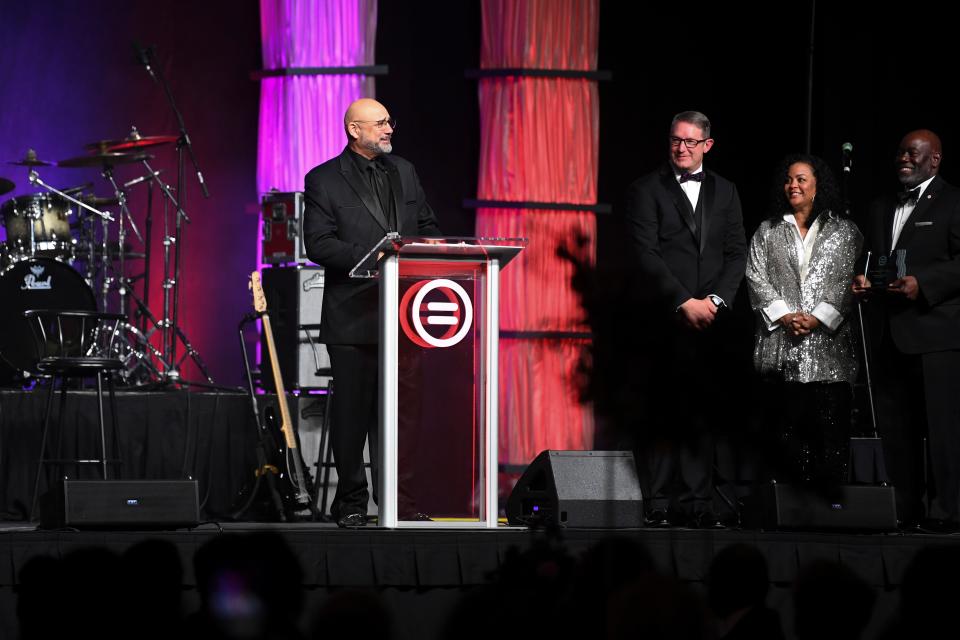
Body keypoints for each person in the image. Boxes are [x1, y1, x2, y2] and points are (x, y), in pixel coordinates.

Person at [303, 98, 440, 527]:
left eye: (389, 122)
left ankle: (399, 501)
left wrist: (435, 253)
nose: (389, 129)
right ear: (353, 130)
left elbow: (429, 227)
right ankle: (351, 503)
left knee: (403, 416)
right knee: (353, 416)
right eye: (380, 123)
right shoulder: (324, 178)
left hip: (404, 315)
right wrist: (376, 257)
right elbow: (319, 243)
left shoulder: (405, 170)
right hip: (352, 317)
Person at [624, 110, 747, 528]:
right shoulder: (645, 189)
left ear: (707, 145)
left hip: (710, 320)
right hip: (663, 318)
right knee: (660, 409)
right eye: (676, 140)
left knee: (701, 410)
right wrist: (682, 301)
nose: (681, 148)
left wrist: (713, 300)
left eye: (691, 142)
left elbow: (736, 253)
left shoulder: (727, 191)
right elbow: (645, 254)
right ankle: (657, 502)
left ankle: (697, 504)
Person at [853, 129, 960, 530]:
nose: (903, 159)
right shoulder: (881, 205)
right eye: (900, 152)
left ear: (934, 160)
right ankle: (906, 510)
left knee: (943, 430)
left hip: (937, 337)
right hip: (889, 335)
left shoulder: (953, 201)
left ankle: (947, 512)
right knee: (898, 430)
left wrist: (924, 283)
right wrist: (862, 279)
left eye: (913, 153)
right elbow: (873, 258)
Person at [746, 155, 862, 486]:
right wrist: (784, 315)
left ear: (817, 186)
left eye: (800, 179)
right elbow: (756, 275)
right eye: (788, 179)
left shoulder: (843, 230)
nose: (792, 185)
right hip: (779, 349)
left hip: (829, 351)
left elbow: (845, 281)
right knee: (784, 430)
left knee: (828, 432)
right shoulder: (768, 231)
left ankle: (829, 509)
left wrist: (816, 319)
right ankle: (784, 507)